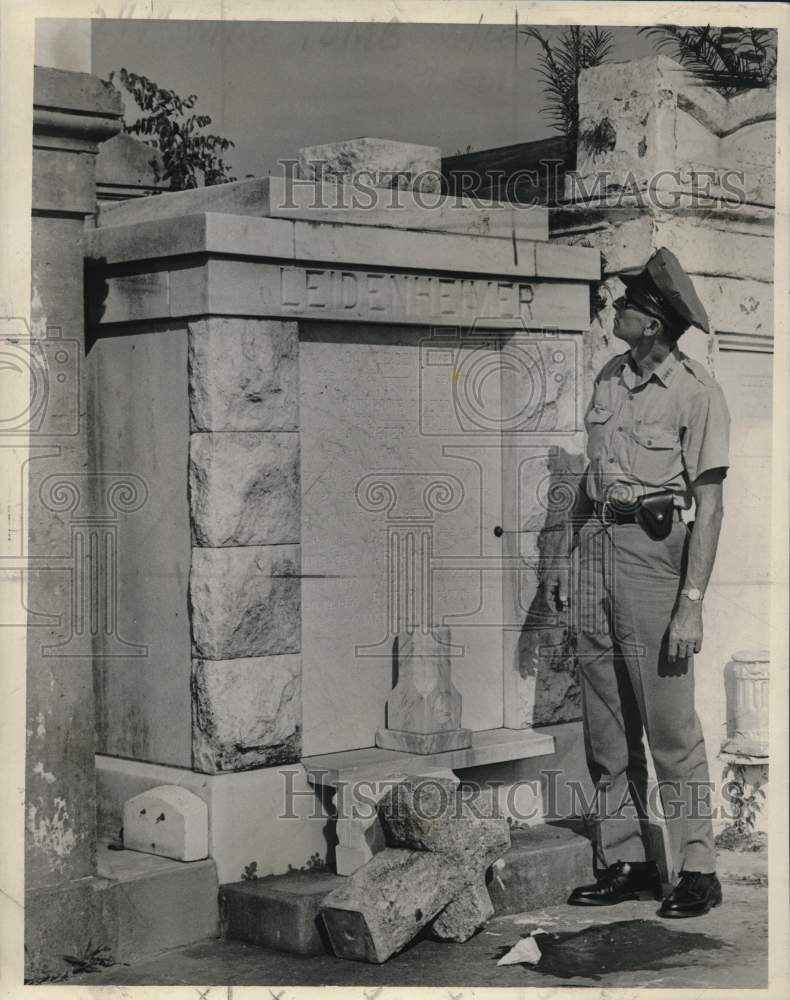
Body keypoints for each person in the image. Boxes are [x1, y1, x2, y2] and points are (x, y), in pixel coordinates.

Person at [543, 247, 731, 918]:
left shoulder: (695, 390)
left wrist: (692, 605)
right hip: (597, 549)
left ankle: (697, 868)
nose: (613, 309)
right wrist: (566, 562)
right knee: (606, 723)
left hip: (656, 559)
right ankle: (627, 858)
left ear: (652, 322)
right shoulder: (607, 376)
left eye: (625, 303)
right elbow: (589, 486)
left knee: (671, 727)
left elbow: (708, 505)